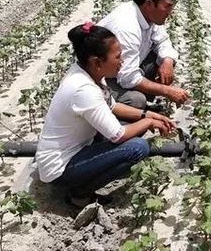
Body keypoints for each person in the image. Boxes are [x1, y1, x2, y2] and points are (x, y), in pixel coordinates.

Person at [36, 23, 176, 207]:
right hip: (61, 168)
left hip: (80, 147)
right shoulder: (83, 89)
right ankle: (80, 192)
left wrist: (147, 114)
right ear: (97, 61)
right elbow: (118, 136)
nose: (122, 61)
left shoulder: (90, 73)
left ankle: (91, 172)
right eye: (118, 56)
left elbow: (112, 106)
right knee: (137, 147)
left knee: (135, 104)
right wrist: (149, 122)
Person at [98, 0, 189, 110]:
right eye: (167, 6)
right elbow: (127, 77)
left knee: (162, 58)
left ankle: (145, 102)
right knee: (136, 100)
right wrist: (167, 91)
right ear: (149, 4)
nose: (171, 13)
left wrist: (167, 61)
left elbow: (163, 40)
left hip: (121, 68)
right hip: (102, 77)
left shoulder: (149, 16)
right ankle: (118, 123)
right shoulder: (127, 26)